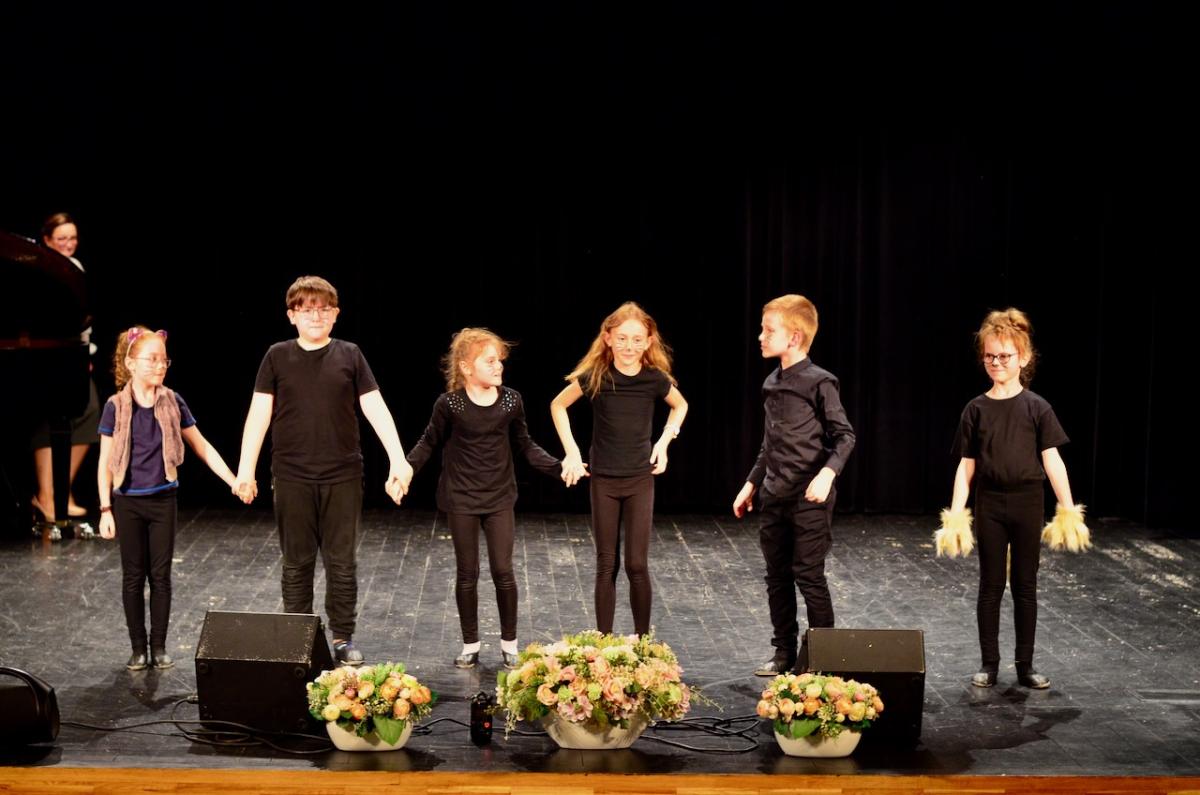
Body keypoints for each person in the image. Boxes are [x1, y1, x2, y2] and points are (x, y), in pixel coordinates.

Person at [234, 276, 412, 665]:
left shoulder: (350, 354)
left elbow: (375, 407)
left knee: (342, 563)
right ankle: (297, 637)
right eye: (306, 308)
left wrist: (398, 459)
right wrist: (245, 469)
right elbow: (259, 414)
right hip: (292, 476)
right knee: (296, 563)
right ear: (292, 315)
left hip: (342, 476)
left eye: (323, 308)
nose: (316, 315)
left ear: (335, 314)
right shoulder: (277, 356)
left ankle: (342, 638)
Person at [407, 328, 574, 668]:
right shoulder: (450, 404)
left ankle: (509, 644)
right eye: (490, 361)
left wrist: (559, 468)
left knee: (503, 570)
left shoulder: (511, 401)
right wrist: (405, 469)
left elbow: (525, 444)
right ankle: (470, 644)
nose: (499, 366)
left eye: (500, 360)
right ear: (467, 367)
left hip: (499, 497)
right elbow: (428, 441)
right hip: (461, 498)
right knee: (467, 573)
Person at [940, 308, 1080, 689]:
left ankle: (1025, 665)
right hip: (991, 504)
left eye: (1004, 356)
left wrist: (1068, 508)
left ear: (1024, 357)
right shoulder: (975, 409)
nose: (996, 362)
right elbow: (966, 466)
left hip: (1027, 503)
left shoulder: (1037, 408)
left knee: (1024, 585)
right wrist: (956, 514)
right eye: (990, 356)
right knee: (990, 585)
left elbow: (1052, 461)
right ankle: (989, 664)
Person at [97, 327, 238, 670]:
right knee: (133, 577)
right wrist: (105, 508)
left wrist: (233, 480)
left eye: (164, 360)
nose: (160, 366)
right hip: (128, 501)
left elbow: (201, 445)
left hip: (163, 501)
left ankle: (158, 646)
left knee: (160, 576)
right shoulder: (116, 406)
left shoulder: (173, 401)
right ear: (131, 363)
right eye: (152, 359)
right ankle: (138, 648)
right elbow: (105, 462)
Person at [732, 294, 855, 676]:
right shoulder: (772, 382)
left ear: (795, 337)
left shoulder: (820, 382)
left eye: (769, 331)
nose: (761, 337)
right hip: (775, 493)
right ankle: (783, 651)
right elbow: (770, 442)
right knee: (777, 577)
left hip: (808, 497)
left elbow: (845, 436)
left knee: (809, 575)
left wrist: (827, 474)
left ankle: (823, 657)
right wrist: (752, 483)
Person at [550, 302, 687, 637]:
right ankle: (604, 642)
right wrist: (572, 451)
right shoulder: (597, 376)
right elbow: (558, 404)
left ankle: (642, 642)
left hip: (639, 479)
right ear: (608, 338)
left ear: (649, 341)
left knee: (636, 564)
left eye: (637, 339)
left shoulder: (653, 379)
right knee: (606, 563)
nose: (629, 346)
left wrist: (664, 441)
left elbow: (680, 405)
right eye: (622, 338)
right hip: (604, 480)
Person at [31, 212, 99, 522]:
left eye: (73, 238)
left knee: (90, 412)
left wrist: (85, 354)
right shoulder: (36, 268)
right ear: (46, 240)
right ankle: (47, 496)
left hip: (73, 352)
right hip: (44, 355)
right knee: (47, 422)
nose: (68, 244)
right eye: (62, 239)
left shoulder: (75, 267)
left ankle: (59, 491)